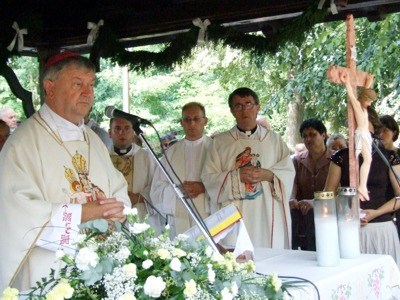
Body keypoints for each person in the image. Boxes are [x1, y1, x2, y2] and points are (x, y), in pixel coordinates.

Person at [0, 52, 130, 291]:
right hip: (49, 271)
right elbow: (16, 212)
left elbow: (118, 188)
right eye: (77, 83)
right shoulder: (23, 144)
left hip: (100, 264)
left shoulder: (93, 139)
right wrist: (82, 213)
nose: (88, 92)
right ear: (50, 87)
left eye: (91, 84)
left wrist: (116, 210)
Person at [201, 87, 295, 249]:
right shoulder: (220, 143)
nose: (244, 109)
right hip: (235, 213)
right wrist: (238, 177)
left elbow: (288, 172)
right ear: (232, 111)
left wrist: (268, 174)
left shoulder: (274, 140)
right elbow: (209, 178)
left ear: (257, 107)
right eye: (238, 106)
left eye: (248, 104)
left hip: (267, 211)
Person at [324, 107, 400, 267]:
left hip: (381, 228)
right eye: (353, 124)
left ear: (373, 127)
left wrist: (376, 213)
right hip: (350, 228)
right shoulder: (340, 157)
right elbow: (328, 194)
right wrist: (347, 212)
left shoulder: (390, 157)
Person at [151, 102, 212, 238]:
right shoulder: (171, 153)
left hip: (208, 217)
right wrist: (177, 191)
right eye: (187, 120)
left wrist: (204, 187)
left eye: (196, 119)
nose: (192, 124)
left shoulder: (215, 149)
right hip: (179, 220)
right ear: (181, 123)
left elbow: (224, 183)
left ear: (205, 121)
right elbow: (157, 189)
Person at [328, 67, 376, 201]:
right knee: (368, 160)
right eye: (369, 100)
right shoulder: (358, 108)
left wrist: (368, 83)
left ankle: (362, 186)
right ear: (364, 99)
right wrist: (347, 82)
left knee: (368, 159)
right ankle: (362, 186)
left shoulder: (365, 108)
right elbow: (353, 97)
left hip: (366, 134)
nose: (370, 103)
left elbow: (364, 93)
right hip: (361, 134)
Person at [108, 116, 161, 234]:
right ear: (109, 133)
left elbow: (157, 184)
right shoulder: (102, 156)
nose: (122, 133)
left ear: (133, 133)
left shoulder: (146, 157)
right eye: (117, 128)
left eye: (127, 128)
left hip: (140, 212)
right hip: (111, 213)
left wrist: (139, 197)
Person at [290, 119, 333, 250]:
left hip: (329, 218)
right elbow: (294, 184)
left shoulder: (336, 159)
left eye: (313, 134)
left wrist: (316, 202)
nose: (308, 139)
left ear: (324, 135)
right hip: (303, 220)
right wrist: (291, 199)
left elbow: (338, 189)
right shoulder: (297, 161)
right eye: (305, 136)